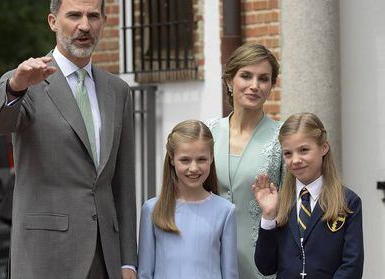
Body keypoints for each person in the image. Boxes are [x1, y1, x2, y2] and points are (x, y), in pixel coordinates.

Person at [0, 0, 137, 279]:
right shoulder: (26, 80)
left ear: (104, 21)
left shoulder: (117, 90)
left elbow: (123, 183)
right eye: (74, 15)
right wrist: (15, 88)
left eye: (93, 16)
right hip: (44, 257)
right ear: (53, 21)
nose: (84, 26)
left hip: (104, 258)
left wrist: (128, 260)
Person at [252, 113, 364, 278]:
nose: (295, 160)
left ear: (323, 148)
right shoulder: (280, 201)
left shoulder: (348, 202)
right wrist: (269, 216)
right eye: (288, 153)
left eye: (304, 150)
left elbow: (352, 265)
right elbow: (266, 266)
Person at [207, 43, 284, 278]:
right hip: (209, 258)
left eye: (263, 79)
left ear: (272, 85)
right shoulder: (207, 132)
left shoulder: (282, 138)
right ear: (230, 81)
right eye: (246, 76)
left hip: (262, 264)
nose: (254, 86)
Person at [138, 120, 238, 279]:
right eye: (185, 160)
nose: (193, 168)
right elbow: (144, 273)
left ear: (211, 158)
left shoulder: (225, 211)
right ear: (172, 159)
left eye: (201, 159)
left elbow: (230, 274)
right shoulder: (151, 209)